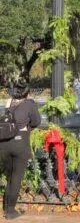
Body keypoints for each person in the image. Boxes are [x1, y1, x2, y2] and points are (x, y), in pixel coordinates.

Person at [0, 81, 41, 220]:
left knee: (11, 175)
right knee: (16, 177)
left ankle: (6, 206)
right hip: (20, 144)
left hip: (4, 144)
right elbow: (36, 122)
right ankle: (10, 211)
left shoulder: (9, 103)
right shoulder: (29, 104)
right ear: (27, 93)